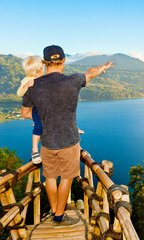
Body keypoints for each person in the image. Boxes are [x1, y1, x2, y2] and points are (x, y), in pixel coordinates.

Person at [21, 45, 114, 227]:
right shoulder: (73, 80)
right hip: (69, 142)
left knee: (49, 177)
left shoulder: (33, 86)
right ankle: (59, 215)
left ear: (45, 62)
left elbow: (25, 113)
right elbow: (90, 73)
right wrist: (102, 68)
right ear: (63, 60)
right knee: (66, 178)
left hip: (47, 143)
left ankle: (55, 209)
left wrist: (44, 114)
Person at [17, 56, 44, 164]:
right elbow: (19, 93)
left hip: (43, 108)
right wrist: (26, 86)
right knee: (39, 126)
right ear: (39, 69)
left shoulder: (43, 79)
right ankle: (35, 150)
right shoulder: (28, 80)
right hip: (37, 109)